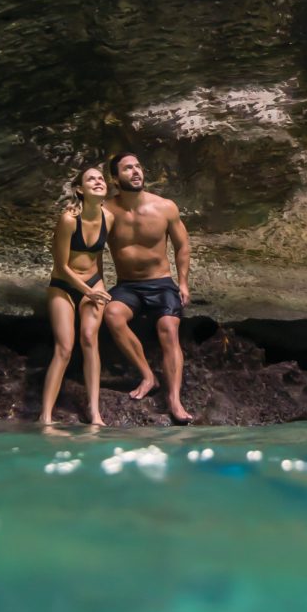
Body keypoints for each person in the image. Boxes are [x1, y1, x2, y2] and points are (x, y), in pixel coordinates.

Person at [104, 150, 194, 424]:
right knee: (112, 315)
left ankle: (174, 400)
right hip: (128, 285)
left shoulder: (165, 207)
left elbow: (183, 246)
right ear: (115, 178)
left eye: (138, 167)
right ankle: (148, 376)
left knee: (168, 327)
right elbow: (90, 245)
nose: (136, 172)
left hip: (161, 283)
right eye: (128, 168)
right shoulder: (106, 210)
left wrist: (183, 283)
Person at [40, 162, 113, 430]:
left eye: (101, 179)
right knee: (65, 348)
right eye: (91, 179)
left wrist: (101, 286)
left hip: (94, 283)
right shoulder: (69, 219)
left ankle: (95, 413)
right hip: (64, 285)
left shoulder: (109, 217)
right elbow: (61, 266)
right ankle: (45, 416)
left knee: (89, 338)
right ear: (80, 189)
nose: (97, 181)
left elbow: (99, 256)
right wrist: (87, 291)